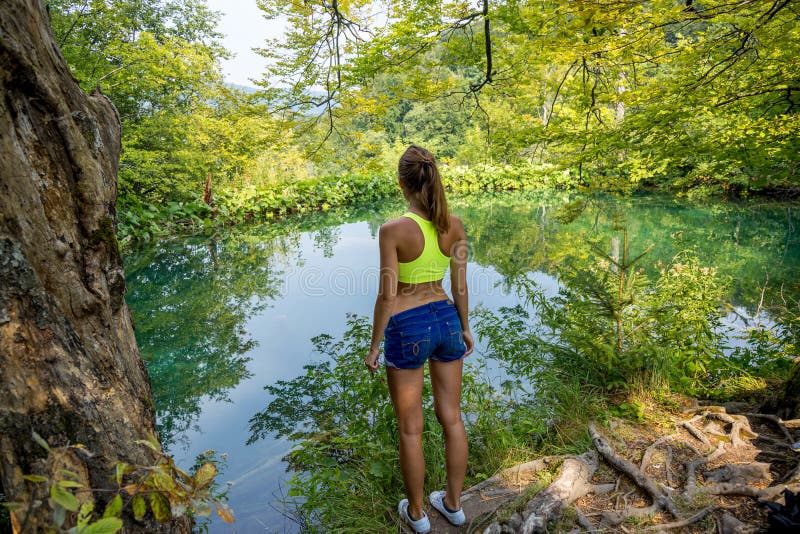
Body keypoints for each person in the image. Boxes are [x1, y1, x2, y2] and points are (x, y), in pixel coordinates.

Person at [365, 145, 474, 533]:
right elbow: (459, 285)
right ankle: (454, 504)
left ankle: (417, 513)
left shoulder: (393, 230)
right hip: (446, 318)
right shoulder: (454, 225)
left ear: (402, 183)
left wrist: (375, 345)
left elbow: (387, 294)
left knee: (411, 428)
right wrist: (464, 326)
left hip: (408, 326)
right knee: (453, 418)